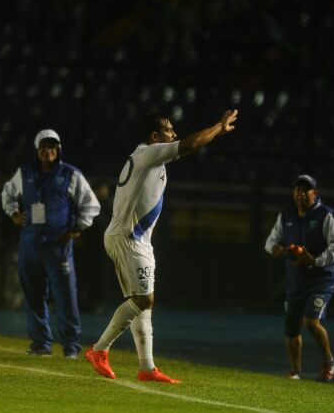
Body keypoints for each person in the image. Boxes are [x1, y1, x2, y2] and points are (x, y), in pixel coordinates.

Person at [84, 109, 239, 383]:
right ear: (155, 136)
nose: (174, 133)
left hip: (138, 240)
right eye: (169, 129)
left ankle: (146, 368)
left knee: (144, 303)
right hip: (127, 238)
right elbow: (191, 144)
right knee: (144, 299)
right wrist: (218, 126)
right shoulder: (148, 153)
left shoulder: (150, 159)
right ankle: (99, 350)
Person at [1, 129, 101, 358]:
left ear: (59, 150)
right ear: (37, 150)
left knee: (65, 295)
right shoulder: (24, 173)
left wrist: (78, 228)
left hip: (58, 243)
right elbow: (7, 194)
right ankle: (41, 344)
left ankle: (71, 346)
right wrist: (14, 214)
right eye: (44, 147)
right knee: (33, 294)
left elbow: (91, 204)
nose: (48, 151)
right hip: (30, 242)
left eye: (52, 147)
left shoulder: (70, 174)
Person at [265, 174, 334, 380]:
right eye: (297, 190)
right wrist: (277, 249)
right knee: (292, 325)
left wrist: (315, 260)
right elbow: (270, 242)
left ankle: (329, 360)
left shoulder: (327, 215)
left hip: (322, 277)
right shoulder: (287, 215)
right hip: (296, 278)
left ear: (315, 193)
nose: (301, 194)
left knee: (311, 321)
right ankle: (296, 371)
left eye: (306, 190)